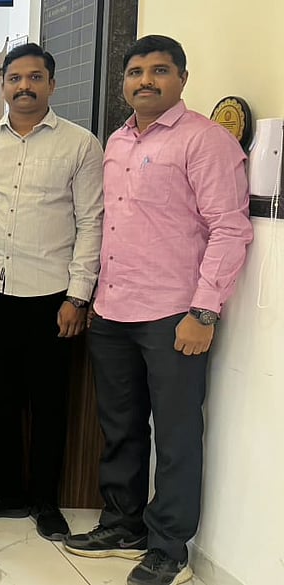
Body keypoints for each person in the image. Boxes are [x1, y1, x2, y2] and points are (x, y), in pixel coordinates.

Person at [64, 36, 252, 585]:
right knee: (119, 427)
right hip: (112, 310)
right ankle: (122, 524)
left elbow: (230, 228)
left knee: (175, 435)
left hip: (174, 315)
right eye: (136, 71)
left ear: (182, 79)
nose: (145, 80)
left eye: (160, 70)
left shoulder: (206, 140)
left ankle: (169, 546)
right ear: (124, 82)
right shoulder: (117, 141)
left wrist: (205, 311)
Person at [0, 43, 104, 540]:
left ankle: (44, 501)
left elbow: (91, 223)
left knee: (49, 404)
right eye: (15, 78)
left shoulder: (81, 145)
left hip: (50, 296)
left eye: (35, 78)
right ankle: (3, 493)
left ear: (52, 84)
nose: (24, 87)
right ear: (3, 85)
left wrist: (78, 297)